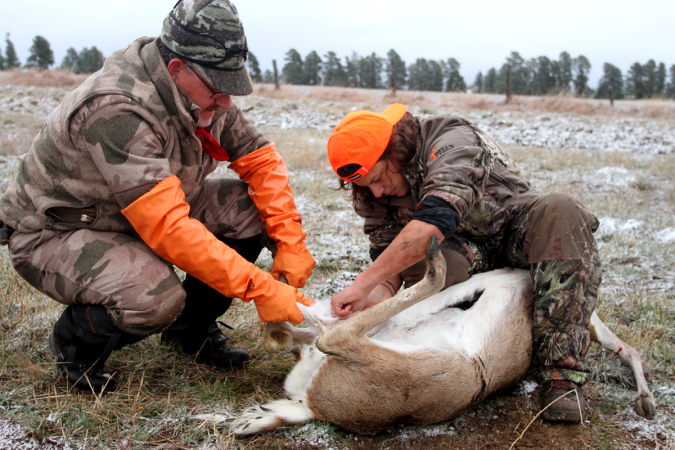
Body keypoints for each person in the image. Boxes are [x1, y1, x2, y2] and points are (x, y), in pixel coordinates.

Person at [0, 0, 315, 394]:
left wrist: (290, 242)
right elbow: (168, 227)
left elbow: (260, 158)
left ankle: (191, 330)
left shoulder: (202, 93)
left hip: (142, 212)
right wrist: (261, 288)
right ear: (177, 69)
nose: (226, 102)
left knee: (247, 209)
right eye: (219, 89)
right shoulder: (116, 109)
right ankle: (76, 342)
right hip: (58, 230)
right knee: (156, 296)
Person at [326, 104, 601, 423]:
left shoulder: (449, 138)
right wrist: (376, 296)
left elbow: (436, 218)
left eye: (378, 177)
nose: (377, 191)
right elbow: (389, 260)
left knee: (562, 211)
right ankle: (479, 345)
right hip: (460, 250)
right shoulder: (374, 193)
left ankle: (561, 376)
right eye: (366, 186)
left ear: (395, 151)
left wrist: (360, 283)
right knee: (425, 266)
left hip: (516, 229)